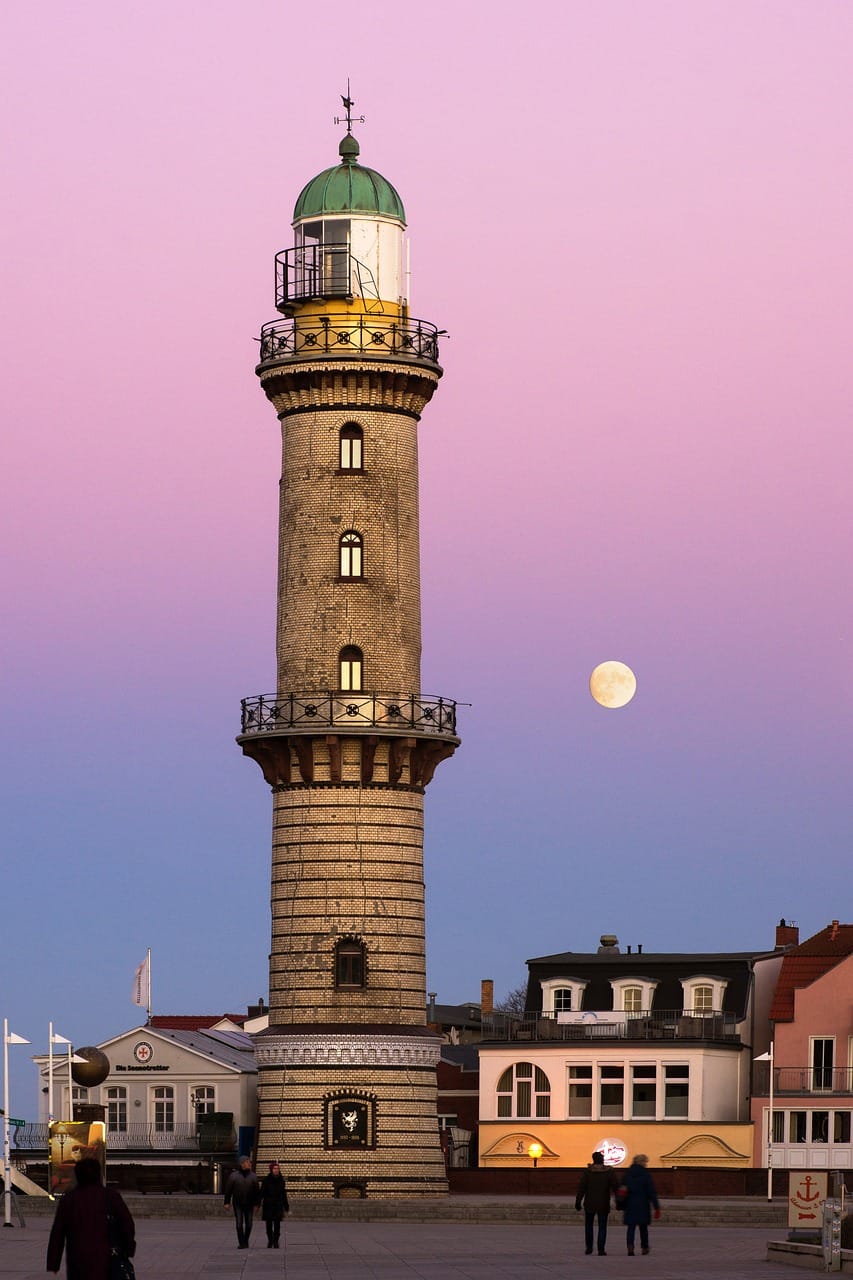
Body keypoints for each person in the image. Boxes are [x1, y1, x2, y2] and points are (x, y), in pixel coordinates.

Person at [46, 1156, 135, 1279]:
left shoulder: (69, 1199)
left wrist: (53, 1262)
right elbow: (127, 1224)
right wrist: (129, 1248)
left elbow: (58, 1233)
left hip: (78, 1258)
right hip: (107, 1258)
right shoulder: (111, 1196)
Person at [575, 1149, 620, 1255]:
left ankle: (589, 1248)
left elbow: (582, 1187)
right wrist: (619, 1201)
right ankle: (601, 1249)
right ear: (602, 1160)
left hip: (589, 1203)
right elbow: (616, 1187)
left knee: (589, 1226)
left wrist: (578, 1201)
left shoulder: (588, 1172)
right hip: (603, 1203)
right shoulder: (609, 1172)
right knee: (602, 1227)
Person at [619, 1153, 660, 1256]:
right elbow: (651, 1192)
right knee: (643, 1228)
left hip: (630, 1204)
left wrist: (620, 1203)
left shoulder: (627, 1174)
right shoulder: (646, 1175)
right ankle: (644, 1247)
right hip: (643, 1205)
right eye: (645, 1162)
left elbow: (621, 1189)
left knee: (631, 1227)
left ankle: (630, 1247)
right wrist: (656, 1207)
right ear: (642, 1162)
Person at [223, 1156, 260, 1249]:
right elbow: (228, 1190)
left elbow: (256, 1192)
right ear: (242, 1164)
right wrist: (226, 1202)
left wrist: (257, 1204)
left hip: (249, 1203)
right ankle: (241, 1242)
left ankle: (246, 1240)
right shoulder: (234, 1176)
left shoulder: (253, 1176)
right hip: (238, 1203)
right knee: (239, 1223)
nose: (249, 1164)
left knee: (249, 1224)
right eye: (247, 1162)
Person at [259, 1160, 290, 1248]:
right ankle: (270, 1240)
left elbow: (283, 1193)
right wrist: (257, 1203)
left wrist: (286, 1205)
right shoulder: (266, 1180)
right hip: (268, 1205)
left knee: (277, 1224)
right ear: (271, 1170)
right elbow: (262, 1193)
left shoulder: (281, 1180)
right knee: (268, 1224)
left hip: (278, 1205)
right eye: (274, 1168)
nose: (276, 1170)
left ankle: (276, 1241)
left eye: (277, 1168)